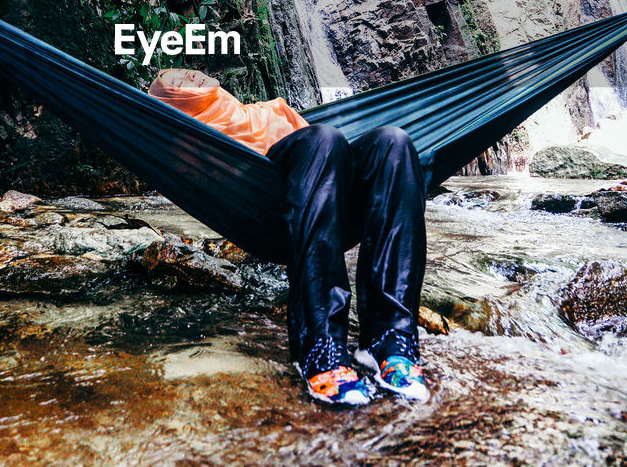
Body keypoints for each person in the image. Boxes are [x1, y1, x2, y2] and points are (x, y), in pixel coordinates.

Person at [149, 68, 429, 407]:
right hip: (277, 199)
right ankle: (321, 346)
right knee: (324, 138)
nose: (189, 78)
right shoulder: (193, 138)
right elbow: (202, 176)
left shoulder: (262, 110)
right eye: (176, 84)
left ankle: (389, 337)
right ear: (172, 104)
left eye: (188, 73)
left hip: (329, 186)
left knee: (393, 142)